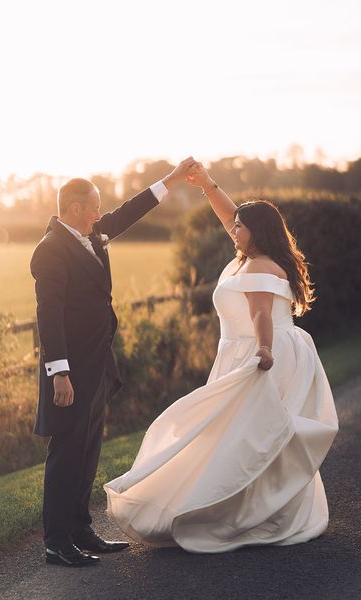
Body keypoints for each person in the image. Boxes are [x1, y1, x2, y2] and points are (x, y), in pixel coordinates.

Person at [104, 162, 339, 553]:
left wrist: (262, 350)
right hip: (245, 350)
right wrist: (208, 185)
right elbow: (232, 216)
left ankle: (253, 513)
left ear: (256, 232)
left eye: (239, 228)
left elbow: (261, 313)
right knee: (244, 435)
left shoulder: (261, 265)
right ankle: (252, 508)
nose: (233, 230)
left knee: (250, 437)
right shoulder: (250, 253)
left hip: (260, 352)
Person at [30, 157, 196, 567]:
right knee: (66, 452)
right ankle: (56, 541)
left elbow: (128, 212)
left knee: (88, 450)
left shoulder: (92, 232)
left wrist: (170, 182)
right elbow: (48, 315)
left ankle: (80, 529)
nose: (101, 213)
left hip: (98, 363)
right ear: (74, 211)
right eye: (94, 207)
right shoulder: (50, 250)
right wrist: (60, 373)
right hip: (69, 370)